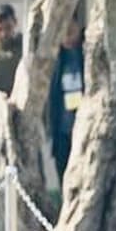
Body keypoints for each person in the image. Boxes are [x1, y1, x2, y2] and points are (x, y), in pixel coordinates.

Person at [47, 16, 84, 182]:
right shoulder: (54, 59)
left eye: (71, 29)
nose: (68, 35)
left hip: (84, 127)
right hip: (62, 129)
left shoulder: (87, 54)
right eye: (63, 31)